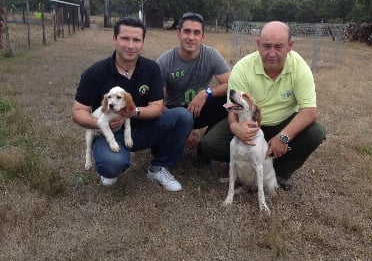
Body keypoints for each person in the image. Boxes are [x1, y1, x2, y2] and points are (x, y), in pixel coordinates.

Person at [201, 21, 326, 190]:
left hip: (283, 123)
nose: (271, 53)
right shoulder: (243, 68)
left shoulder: (300, 68)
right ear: (258, 44)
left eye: (278, 47)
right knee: (210, 144)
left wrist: (284, 137)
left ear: (290, 46)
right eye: (266, 46)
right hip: (250, 122)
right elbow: (232, 106)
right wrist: (235, 126)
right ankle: (246, 168)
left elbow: (310, 111)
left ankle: (280, 172)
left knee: (315, 133)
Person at [71, 17, 193, 191]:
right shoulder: (95, 72)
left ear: (142, 42)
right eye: (125, 38)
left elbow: (157, 107)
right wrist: (98, 123)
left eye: (136, 40)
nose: (130, 45)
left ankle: (158, 168)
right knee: (111, 165)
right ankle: (110, 167)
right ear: (114, 39)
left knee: (183, 116)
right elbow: (78, 110)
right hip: (110, 132)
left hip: (145, 129)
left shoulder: (151, 69)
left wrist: (132, 112)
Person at [156, 12, 231, 165]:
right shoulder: (164, 62)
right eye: (187, 31)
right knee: (157, 150)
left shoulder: (210, 55)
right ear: (178, 34)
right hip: (173, 111)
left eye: (196, 32)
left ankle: (205, 147)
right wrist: (183, 126)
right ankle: (174, 141)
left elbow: (233, 85)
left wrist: (207, 92)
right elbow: (156, 103)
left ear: (203, 36)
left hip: (199, 108)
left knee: (228, 101)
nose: (191, 37)